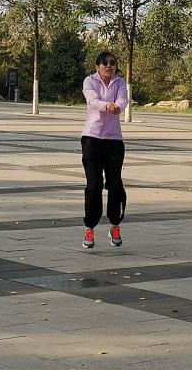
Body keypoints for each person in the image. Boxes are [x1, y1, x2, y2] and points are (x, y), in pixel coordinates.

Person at [81, 51, 128, 249]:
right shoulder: (89, 81)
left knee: (115, 184)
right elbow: (91, 100)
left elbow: (123, 100)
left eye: (112, 63)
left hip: (113, 140)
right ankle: (89, 228)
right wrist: (106, 105)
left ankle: (115, 225)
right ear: (97, 66)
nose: (109, 66)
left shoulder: (120, 82)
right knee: (94, 185)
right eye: (104, 62)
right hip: (91, 139)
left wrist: (117, 107)